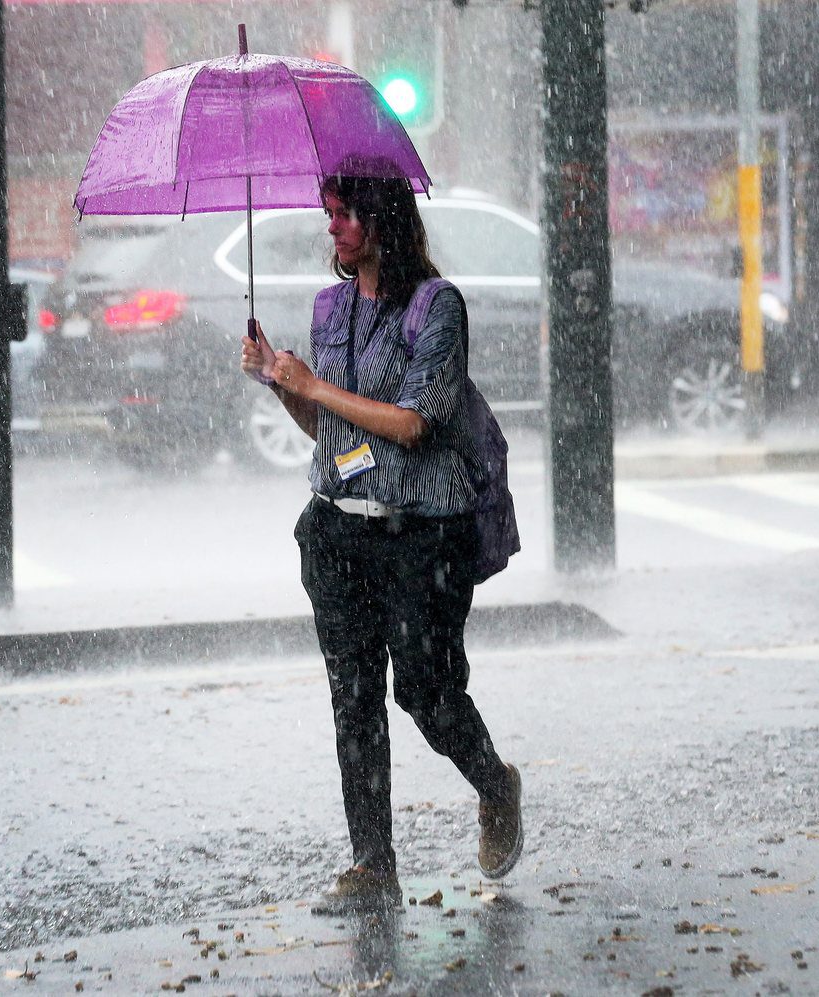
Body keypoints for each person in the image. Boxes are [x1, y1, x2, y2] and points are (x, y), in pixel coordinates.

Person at [238, 169, 523, 914]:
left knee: (425, 690)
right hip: (339, 528)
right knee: (352, 696)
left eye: (343, 216)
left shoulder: (437, 307)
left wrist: (315, 384)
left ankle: (494, 782)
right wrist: (280, 382)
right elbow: (330, 433)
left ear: (381, 222)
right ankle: (373, 863)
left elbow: (412, 423)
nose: (331, 228)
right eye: (328, 215)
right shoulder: (330, 308)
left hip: (423, 533)